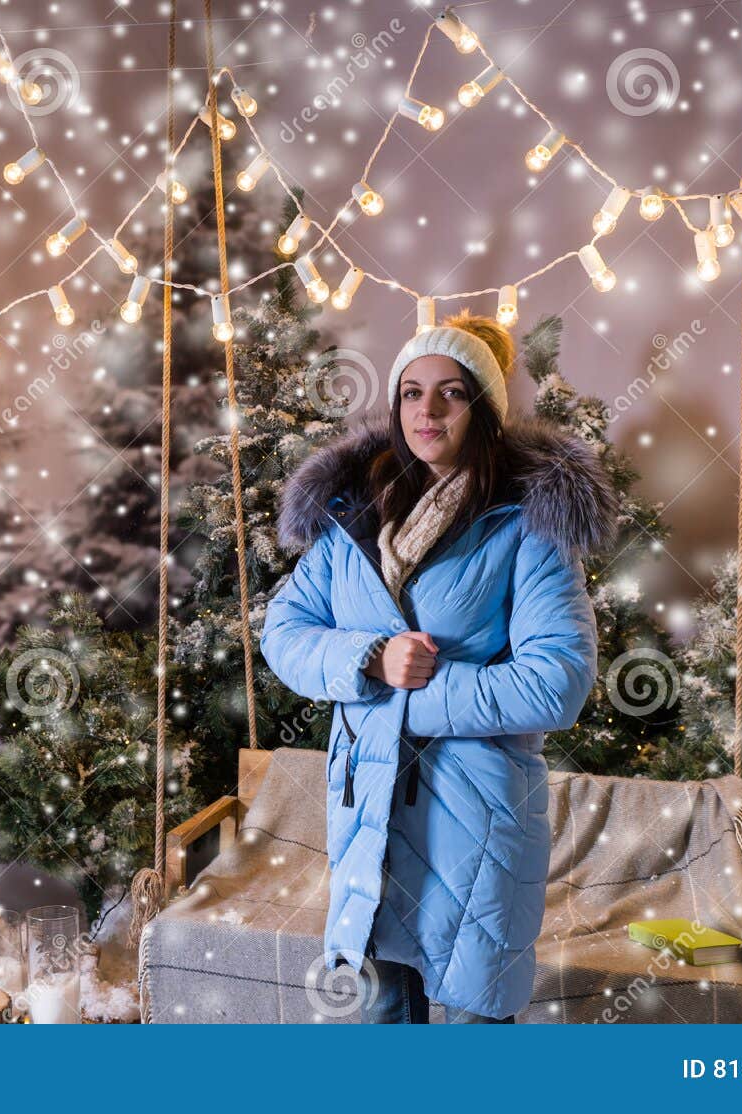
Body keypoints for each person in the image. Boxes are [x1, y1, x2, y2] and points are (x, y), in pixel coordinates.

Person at [260, 313, 618, 1023]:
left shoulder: (524, 524)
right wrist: (368, 658)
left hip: (474, 828)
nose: (428, 410)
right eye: (411, 392)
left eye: (451, 393)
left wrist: (415, 695)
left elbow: (558, 681)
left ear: (482, 411)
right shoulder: (351, 517)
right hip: (367, 819)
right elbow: (284, 630)